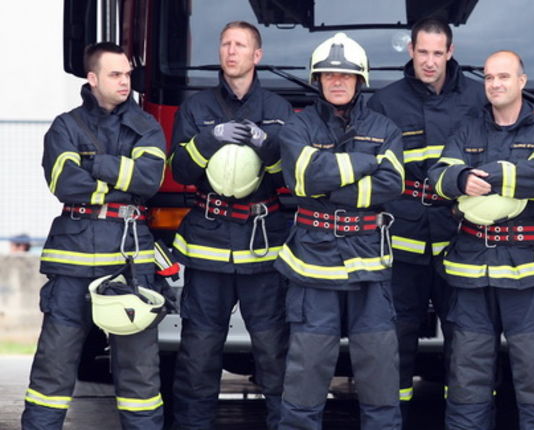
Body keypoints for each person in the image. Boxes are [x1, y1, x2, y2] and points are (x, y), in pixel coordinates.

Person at [22, 42, 167, 429]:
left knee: (139, 377)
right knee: (52, 372)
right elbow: (65, 182)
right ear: (93, 78)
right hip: (72, 266)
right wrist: (120, 179)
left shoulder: (148, 127)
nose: (125, 82)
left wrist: (93, 164)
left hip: (128, 264)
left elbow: (149, 180)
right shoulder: (65, 126)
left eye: (128, 75)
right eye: (116, 75)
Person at [274, 32, 404, 429]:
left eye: (345, 76)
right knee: (305, 377)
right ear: (317, 80)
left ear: (360, 80)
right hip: (313, 263)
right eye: (328, 75)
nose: (337, 81)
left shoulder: (386, 127)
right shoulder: (297, 128)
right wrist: (365, 162)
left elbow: (392, 183)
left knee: (380, 377)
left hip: (369, 264)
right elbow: (302, 179)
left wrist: (329, 178)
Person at [168, 21, 292, 430]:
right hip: (208, 246)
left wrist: (268, 147)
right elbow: (181, 171)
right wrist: (209, 140)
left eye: (240, 45)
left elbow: (291, 178)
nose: (231, 52)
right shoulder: (196, 109)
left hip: (262, 249)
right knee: (198, 356)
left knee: (274, 354)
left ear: (257, 56)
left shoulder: (277, 111)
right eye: (225, 44)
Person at [429, 50, 534, 430]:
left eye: (504, 77)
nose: (495, 84)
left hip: (524, 272)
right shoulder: (468, 128)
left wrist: (485, 176)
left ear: (522, 82)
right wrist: (458, 180)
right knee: (467, 378)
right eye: (488, 78)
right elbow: (440, 175)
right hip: (472, 269)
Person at [366, 17, 485, 418]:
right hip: (404, 234)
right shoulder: (385, 101)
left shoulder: (477, 96)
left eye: (438, 53)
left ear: (450, 52)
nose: (430, 62)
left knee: (466, 336)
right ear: (410, 51)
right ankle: (392, 420)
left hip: (460, 233)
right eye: (423, 52)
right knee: (395, 335)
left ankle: (465, 421)